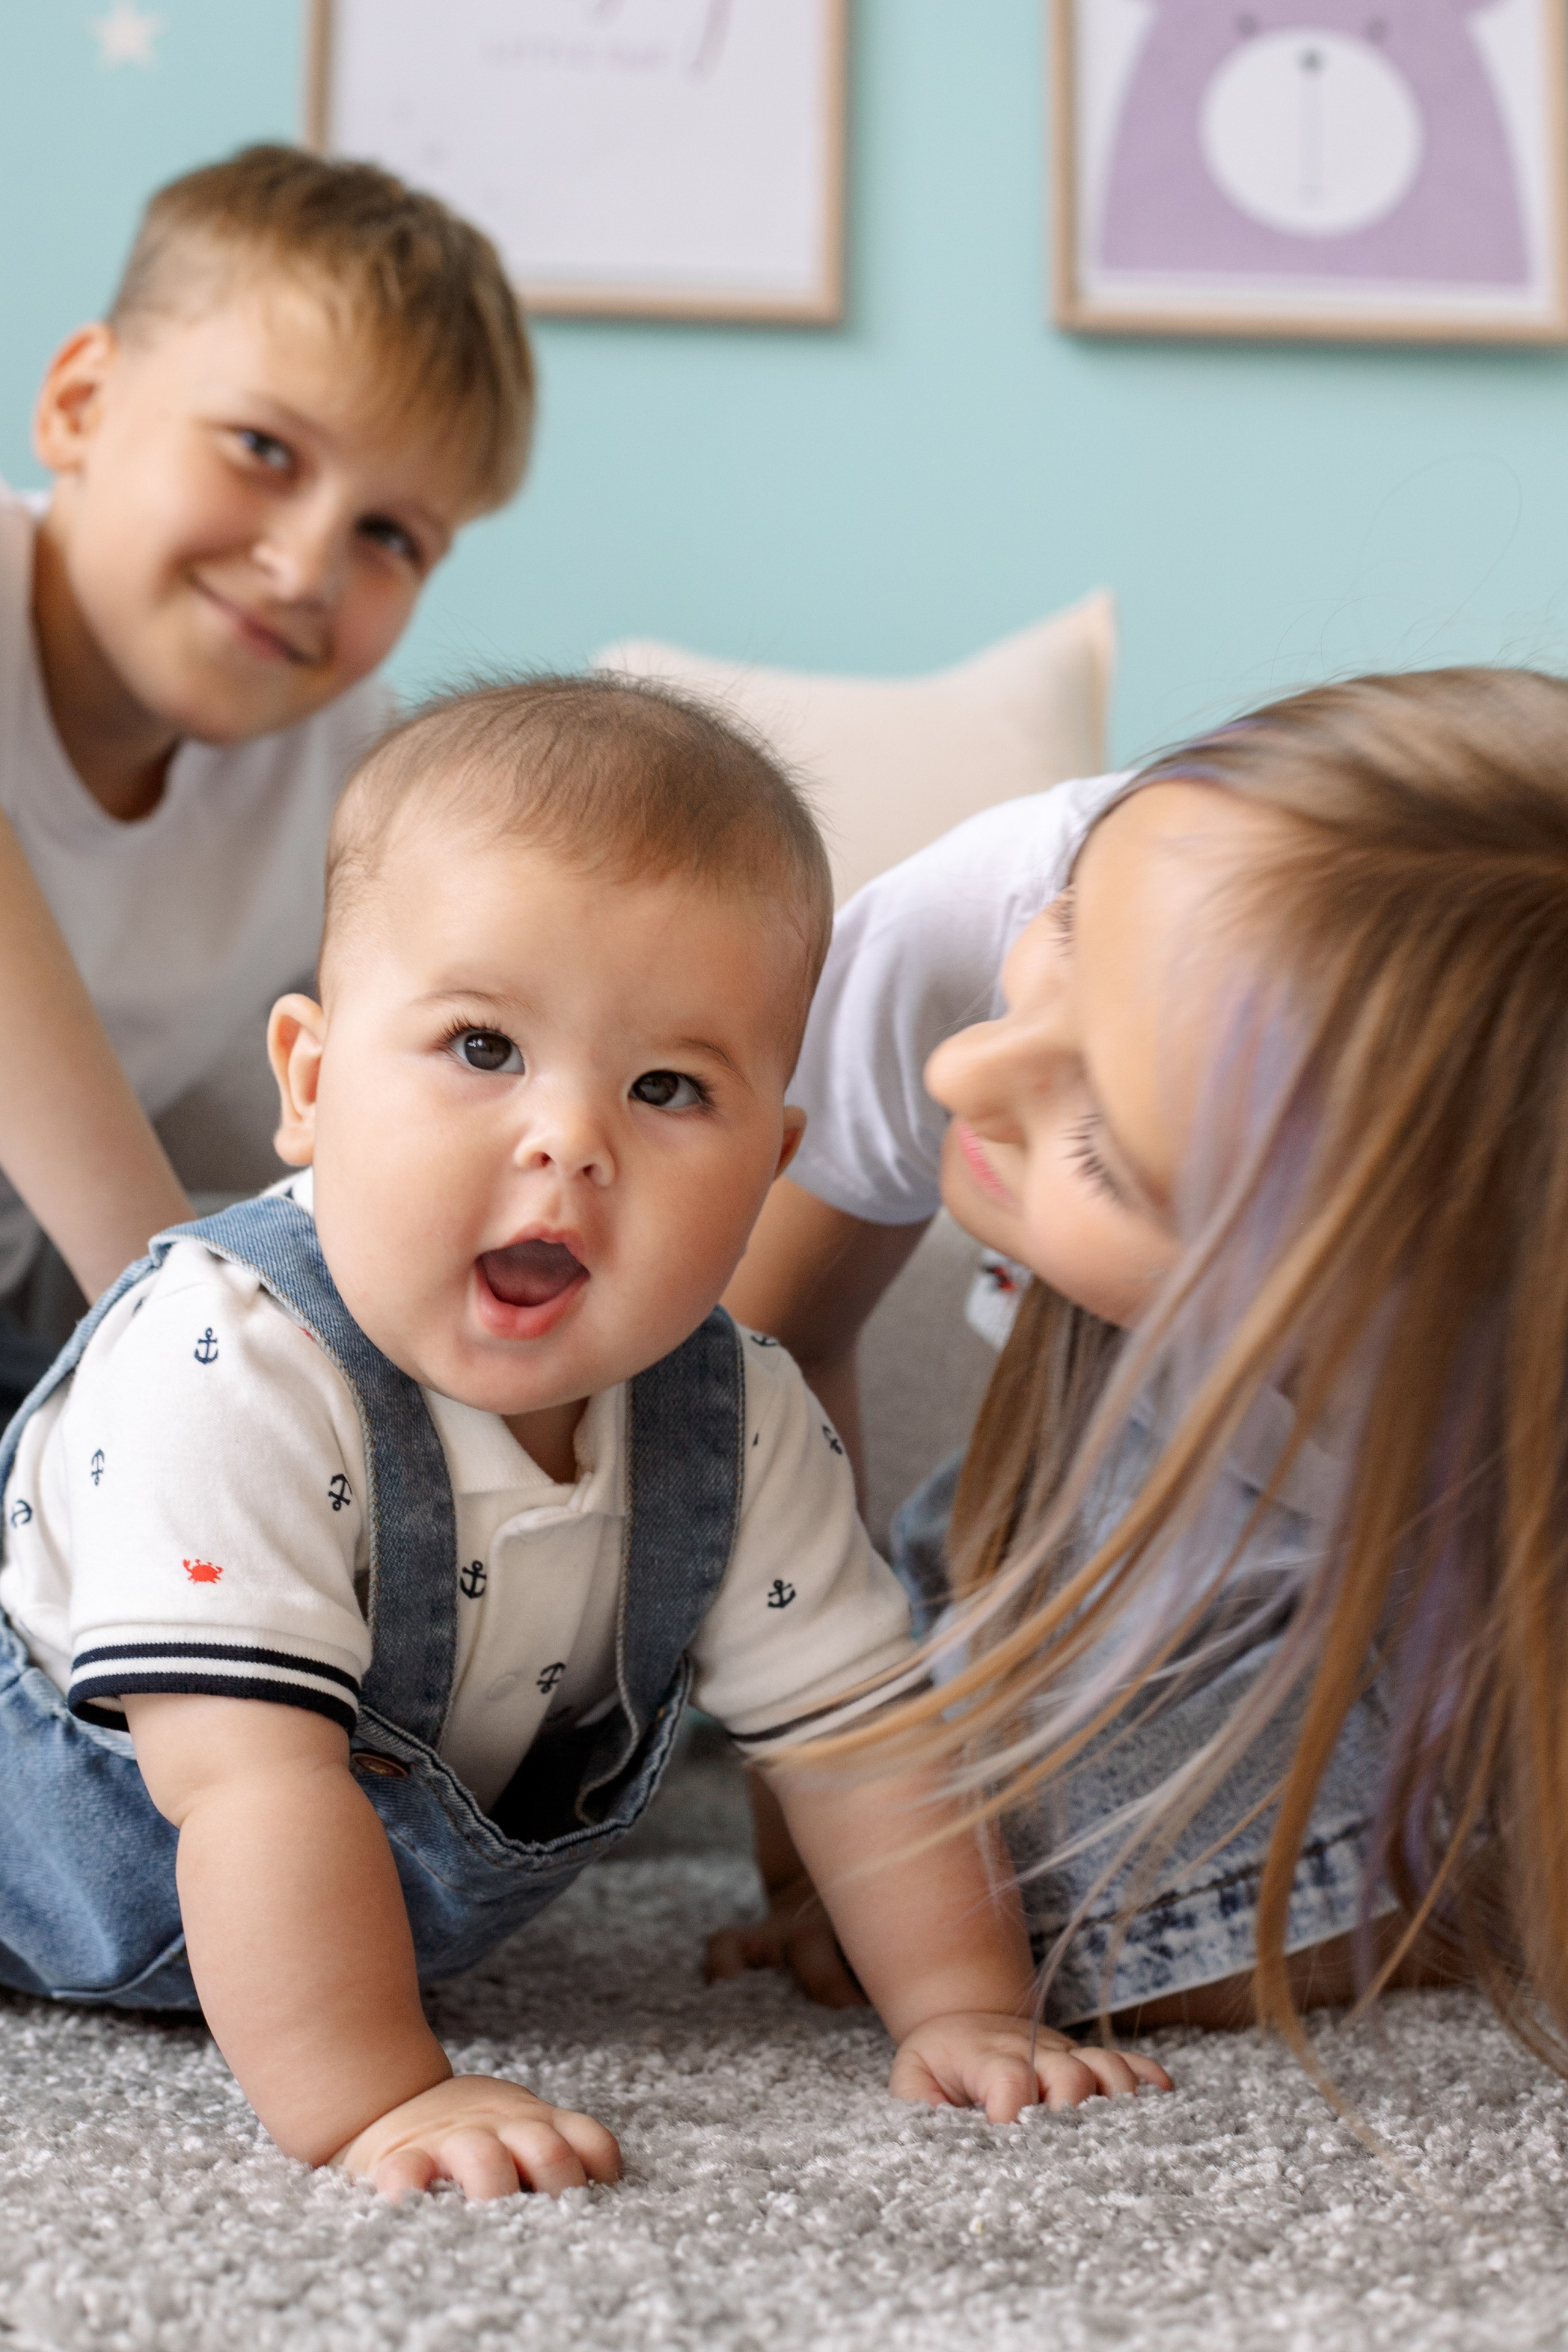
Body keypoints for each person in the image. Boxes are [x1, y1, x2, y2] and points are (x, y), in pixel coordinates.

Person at [0, 677, 1172, 2204]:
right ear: (308, 1082)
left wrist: (963, 2008)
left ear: (768, 1164)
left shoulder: (730, 1414)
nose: (570, 1139)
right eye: (483, 1049)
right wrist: (379, 2098)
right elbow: (247, 1787)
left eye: (668, 1087)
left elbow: (860, 1741)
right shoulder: (229, 1362)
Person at [723, 666, 1568, 2044]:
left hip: (1455, 1530)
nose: (966, 1075)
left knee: (1107, 1936)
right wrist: (801, 1843)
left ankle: (1447, 1834)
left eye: (1103, 1152)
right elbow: (762, 1373)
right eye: (1064, 929)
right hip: (1112, 1480)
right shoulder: (975, 916)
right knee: (956, 1889)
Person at [0, 142, 533, 1401]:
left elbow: (411, 1074)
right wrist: (185, 1339)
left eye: (388, 535)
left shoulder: (345, 755)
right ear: (79, 403)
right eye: (263, 449)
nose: (305, 569)